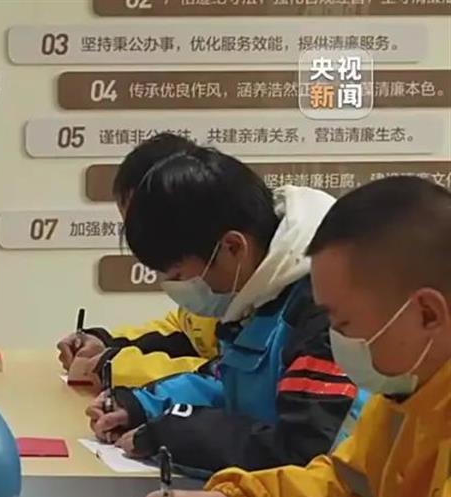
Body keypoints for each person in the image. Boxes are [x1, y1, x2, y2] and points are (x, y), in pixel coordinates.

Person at [133, 176, 451, 497]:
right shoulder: (411, 391)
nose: (336, 342)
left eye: (343, 323)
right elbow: (346, 489)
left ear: (427, 313)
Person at [90, 146, 362, 475]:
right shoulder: (259, 294)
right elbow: (231, 384)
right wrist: (142, 405)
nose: (176, 289)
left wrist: (176, 435)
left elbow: (301, 454)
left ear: (232, 247)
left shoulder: (326, 311)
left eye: (179, 276)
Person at [56, 133, 220, 388]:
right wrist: (106, 343)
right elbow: (183, 332)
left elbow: (228, 377)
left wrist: (115, 367)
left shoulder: (261, 294)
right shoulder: (205, 284)